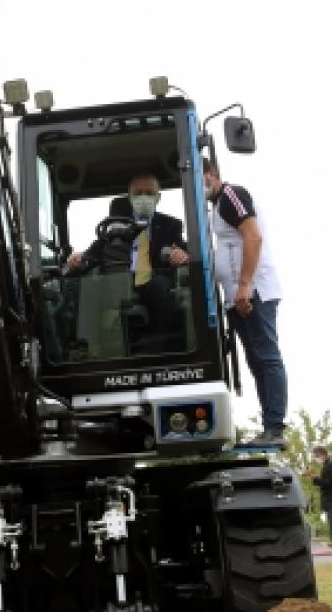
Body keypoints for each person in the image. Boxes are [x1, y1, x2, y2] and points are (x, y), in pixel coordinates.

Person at [202, 158, 286, 444]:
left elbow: (253, 237)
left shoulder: (231, 195)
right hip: (235, 297)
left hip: (254, 292)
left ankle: (275, 428)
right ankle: (268, 426)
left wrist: (245, 285)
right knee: (256, 360)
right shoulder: (215, 207)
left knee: (267, 357)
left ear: (212, 174)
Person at [67, 174, 190, 353]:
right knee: (88, 288)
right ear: (129, 196)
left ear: (158, 197)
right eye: (138, 193)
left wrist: (182, 255)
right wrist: (78, 260)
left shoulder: (171, 225)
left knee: (163, 287)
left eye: (149, 193)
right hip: (117, 280)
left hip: (152, 280)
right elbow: (90, 256)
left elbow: (183, 251)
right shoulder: (113, 226)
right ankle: (87, 348)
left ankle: (161, 350)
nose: (144, 197)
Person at [309, 445, 332, 562]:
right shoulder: (328, 465)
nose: (316, 458)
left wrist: (314, 478)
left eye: (316, 456)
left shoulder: (330, 466)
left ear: (321, 454)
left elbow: (328, 483)